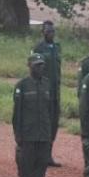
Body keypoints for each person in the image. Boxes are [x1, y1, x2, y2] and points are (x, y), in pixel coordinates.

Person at [12, 54, 53, 177]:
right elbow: (17, 113)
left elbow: (51, 110)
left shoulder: (47, 84)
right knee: (25, 165)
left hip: (43, 133)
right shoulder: (22, 85)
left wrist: (50, 132)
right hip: (28, 133)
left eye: (42, 65)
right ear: (29, 66)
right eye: (37, 65)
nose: (40, 67)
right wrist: (18, 134)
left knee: (41, 164)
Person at [32, 20, 62, 167]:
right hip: (43, 90)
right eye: (47, 31)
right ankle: (40, 155)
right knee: (42, 122)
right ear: (43, 32)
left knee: (54, 122)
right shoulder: (38, 48)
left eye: (52, 31)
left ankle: (48, 154)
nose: (50, 33)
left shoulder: (57, 47)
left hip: (56, 91)